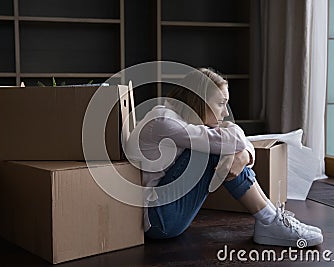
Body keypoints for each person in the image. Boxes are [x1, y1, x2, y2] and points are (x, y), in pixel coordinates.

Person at [126, 68, 323, 247]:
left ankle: (271, 219)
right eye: (221, 104)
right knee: (210, 151)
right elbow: (233, 140)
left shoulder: (184, 120)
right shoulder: (164, 121)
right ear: (199, 100)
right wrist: (240, 148)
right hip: (159, 220)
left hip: (166, 215)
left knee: (218, 148)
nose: (226, 112)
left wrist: (244, 156)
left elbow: (236, 142)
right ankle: (270, 221)